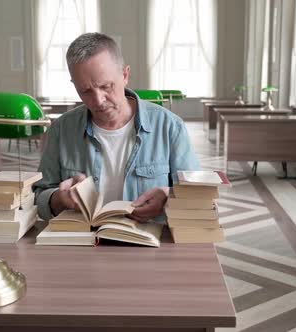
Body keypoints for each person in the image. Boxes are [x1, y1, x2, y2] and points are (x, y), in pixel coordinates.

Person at [33, 32, 199, 222]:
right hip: (82, 244)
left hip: (150, 245)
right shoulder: (61, 130)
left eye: (106, 86)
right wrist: (59, 199)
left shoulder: (170, 127)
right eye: (85, 91)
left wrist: (168, 196)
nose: (98, 101)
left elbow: (198, 198)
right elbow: (39, 197)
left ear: (125, 75)